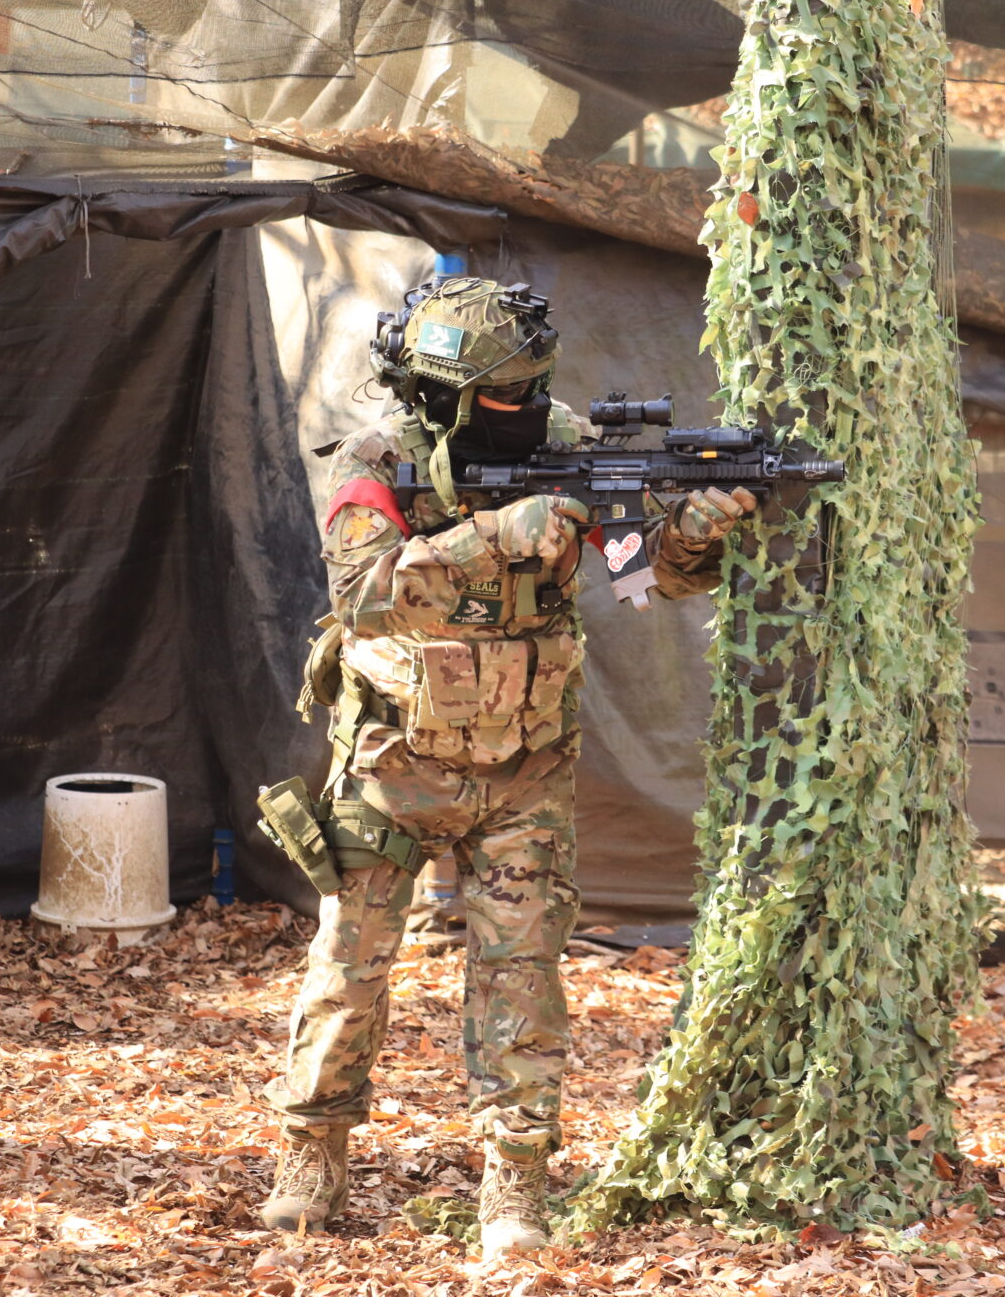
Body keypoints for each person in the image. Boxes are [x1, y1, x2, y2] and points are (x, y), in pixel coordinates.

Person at [258, 276, 755, 1255]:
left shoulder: (569, 449)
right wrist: (491, 536)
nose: (527, 407)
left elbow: (640, 576)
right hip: (389, 765)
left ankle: (515, 1183)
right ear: (442, 396)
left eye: (534, 385)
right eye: (503, 394)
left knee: (521, 979)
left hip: (523, 769)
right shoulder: (379, 460)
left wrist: (693, 539)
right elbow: (359, 596)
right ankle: (310, 1153)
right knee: (347, 971)